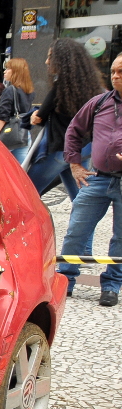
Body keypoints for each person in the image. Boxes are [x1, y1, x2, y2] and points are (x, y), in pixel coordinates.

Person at [60, 51, 122, 308]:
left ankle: (111, 286)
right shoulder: (100, 102)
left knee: (120, 238)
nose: (116, 77)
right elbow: (74, 130)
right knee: (76, 232)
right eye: (114, 72)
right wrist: (75, 164)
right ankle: (65, 280)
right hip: (97, 179)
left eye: (121, 72)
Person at [29, 38, 105, 200]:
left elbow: (38, 119)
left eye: (51, 57)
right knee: (80, 199)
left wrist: (34, 116)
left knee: (25, 191)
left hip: (59, 151)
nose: (46, 61)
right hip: (83, 151)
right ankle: (84, 226)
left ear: (62, 60)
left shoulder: (60, 88)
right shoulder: (93, 88)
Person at [0, 58, 35, 164]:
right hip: (24, 135)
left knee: (0, 168)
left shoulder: (10, 90)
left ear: (16, 71)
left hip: (8, 135)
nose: (4, 71)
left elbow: (3, 118)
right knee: (19, 171)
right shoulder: (28, 91)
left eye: (8, 68)